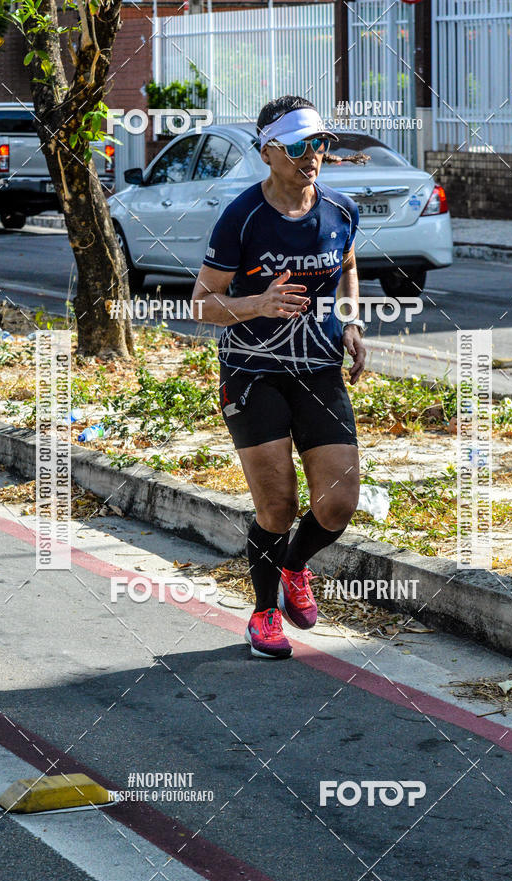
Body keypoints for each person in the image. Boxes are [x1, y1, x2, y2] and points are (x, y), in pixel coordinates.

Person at [192, 95, 366, 659]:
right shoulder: (242, 217)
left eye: (320, 144)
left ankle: (295, 566)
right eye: (297, 147)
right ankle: (265, 612)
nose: (312, 156)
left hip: (319, 368)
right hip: (253, 372)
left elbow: (347, 265)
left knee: (337, 504)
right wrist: (258, 303)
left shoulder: (340, 209)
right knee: (277, 508)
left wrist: (352, 323)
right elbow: (202, 304)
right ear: (269, 152)